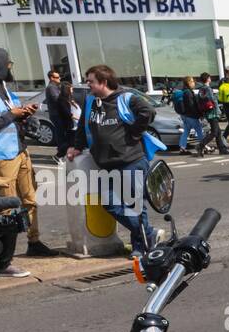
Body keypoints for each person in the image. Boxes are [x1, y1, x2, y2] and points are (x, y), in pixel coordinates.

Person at [0, 46, 57, 256]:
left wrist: (24, 113)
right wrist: (12, 115)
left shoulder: (2, 86)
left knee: (30, 199)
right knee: (6, 206)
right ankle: (5, 253)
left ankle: (34, 242)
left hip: (20, 149)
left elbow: (11, 113)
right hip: (1, 154)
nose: (10, 66)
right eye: (8, 62)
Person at [67, 63, 162, 255]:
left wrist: (133, 134)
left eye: (91, 81)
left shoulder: (126, 98)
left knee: (134, 205)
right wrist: (77, 146)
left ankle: (140, 245)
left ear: (103, 82)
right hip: (105, 164)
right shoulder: (91, 102)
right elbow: (83, 127)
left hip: (131, 161)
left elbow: (149, 112)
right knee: (110, 203)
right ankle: (148, 233)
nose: (88, 85)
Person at [44, 68, 73, 160]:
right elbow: (58, 100)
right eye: (57, 77)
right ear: (51, 78)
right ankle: (59, 155)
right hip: (57, 115)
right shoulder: (51, 87)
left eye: (59, 76)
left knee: (63, 134)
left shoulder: (56, 86)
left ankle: (61, 153)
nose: (59, 78)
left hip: (59, 114)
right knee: (61, 134)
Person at [197, 72, 228, 154]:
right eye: (209, 77)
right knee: (214, 132)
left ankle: (222, 149)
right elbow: (213, 100)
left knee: (218, 131)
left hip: (207, 112)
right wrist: (218, 95)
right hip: (212, 112)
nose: (210, 79)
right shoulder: (208, 89)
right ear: (207, 79)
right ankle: (200, 145)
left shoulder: (201, 89)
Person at [173, 75, 204, 155]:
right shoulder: (188, 92)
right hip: (191, 116)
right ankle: (204, 146)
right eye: (193, 81)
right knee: (199, 130)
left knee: (186, 131)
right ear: (189, 83)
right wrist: (199, 114)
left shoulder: (184, 91)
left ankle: (182, 148)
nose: (194, 83)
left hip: (184, 115)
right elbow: (191, 106)